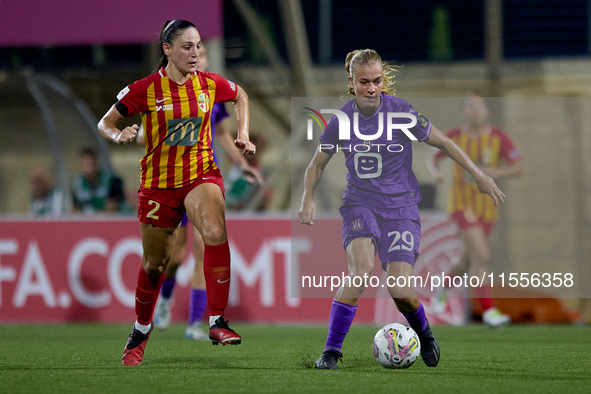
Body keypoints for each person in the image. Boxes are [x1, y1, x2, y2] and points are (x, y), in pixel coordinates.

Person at [298, 49, 505, 369]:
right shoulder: (341, 120)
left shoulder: (401, 113)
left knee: (400, 289)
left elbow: (444, 143)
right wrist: (307, 197)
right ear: (352, 82)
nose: (371, 88)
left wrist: (478, 175)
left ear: (383, 81)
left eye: (377, 81)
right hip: (360, 204)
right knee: (361, 268)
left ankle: (424, 331)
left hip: (401, 210)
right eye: (364, 82)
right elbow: (317, 163)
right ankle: (331, 351)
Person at [97, 19, 256, 366]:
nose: (196, 53)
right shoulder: (145, 89)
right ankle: (140, 329)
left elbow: (240, 94)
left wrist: (243, 133)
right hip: (158, 187)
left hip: (200, 176)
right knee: (156, 264)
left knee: (214, 232)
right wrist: (118, 135)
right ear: (167, 50)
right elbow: (105, 123)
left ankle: (216, 321)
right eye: (187, 47)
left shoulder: (210, 84)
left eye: (198, 46)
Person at [147, 44, 263, 340]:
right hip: (173, 181)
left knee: (201, 249)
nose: (197, 58)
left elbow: (222, 134)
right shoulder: (165, 92)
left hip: (203, 180)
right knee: (174, 258)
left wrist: (242, 166)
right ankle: (166, 298)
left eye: (202, 54)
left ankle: (195, 324)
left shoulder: (211, 92)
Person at [427, 95, 522, 327]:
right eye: (470, 106)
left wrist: (494, 173)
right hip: (461, 205)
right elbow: (433, 156)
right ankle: (489, 311)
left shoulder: (498, 138)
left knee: (468, 260)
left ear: (486, 111)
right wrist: (435, 172)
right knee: (482, 256)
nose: (475, 110)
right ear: (463, 113)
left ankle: (444, 285)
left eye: (479, 106)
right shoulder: (454, 136)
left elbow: (517, 167)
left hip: (487, 209)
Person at [72, 147, 128, 214]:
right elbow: (75, 208)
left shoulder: (113, 181)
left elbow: (112, 206)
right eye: (83, 165)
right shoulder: (77, 183)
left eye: (90, 164)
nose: (88, 169)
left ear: (97, 163)